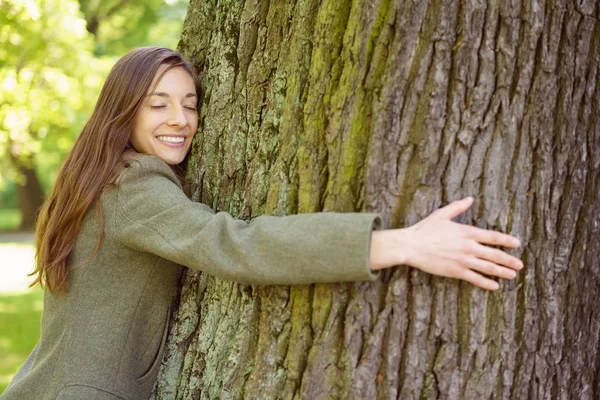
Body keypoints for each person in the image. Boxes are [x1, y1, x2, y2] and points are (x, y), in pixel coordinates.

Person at [1, 47, 523, 400]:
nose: (180, 120)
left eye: (190, 104)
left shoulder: (93, 179)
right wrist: (395, 244)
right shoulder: (133, 186)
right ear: (123, 113)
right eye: (157, 105)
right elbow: (233, 243)